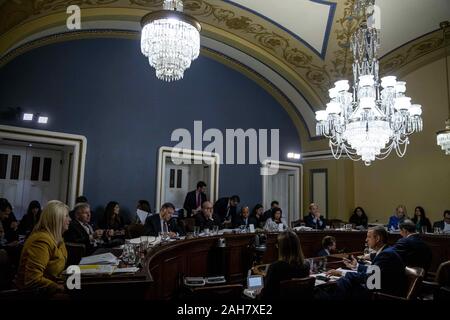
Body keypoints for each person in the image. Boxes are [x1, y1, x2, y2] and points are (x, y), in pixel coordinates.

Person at [327, 226, 406, 299]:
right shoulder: (387, 251)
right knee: (345, 282)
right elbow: (375, 272)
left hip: (383, 295)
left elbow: (369, 278)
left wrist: (341, 273)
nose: (366, 240)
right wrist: (356, 266)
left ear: (377, 238)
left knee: (344, 281)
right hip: (380, 289)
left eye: (369, 237)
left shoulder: (385, 255)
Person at [15, 200, 70, 295]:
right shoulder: (41, 240)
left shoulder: (58, 238)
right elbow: (33, 279)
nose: (70, 219)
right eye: (66, 216)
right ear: (56, 219)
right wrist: (58, 287)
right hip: (34, 295)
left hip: (49, 290)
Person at [259, 231, 310, 300]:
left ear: (281, 247)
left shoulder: (275, 267)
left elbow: (267, 295)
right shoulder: (306, 264)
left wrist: (259, 293)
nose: (276, 246)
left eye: (277, 244)